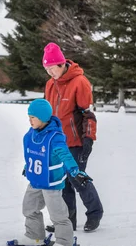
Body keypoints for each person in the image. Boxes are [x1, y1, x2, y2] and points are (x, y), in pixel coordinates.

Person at [11, 99, 93, 246]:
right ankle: (34, 236)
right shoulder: (32, 134)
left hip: (51, 182)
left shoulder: (55, 137)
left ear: (43, 118)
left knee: (57, 213)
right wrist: (27, 167)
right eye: (29, 116)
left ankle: (65, 241)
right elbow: (33, 154)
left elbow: (65, 155)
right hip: (35, 180)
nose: (30, 120)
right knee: (29, 208)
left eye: (33, 117)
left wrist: (75, 171)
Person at [42, 42, 104, 232]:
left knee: (77, 178)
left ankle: (95, 213)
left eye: (52, 68)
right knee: (62, 183)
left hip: (76, 141)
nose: (50, 73)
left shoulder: (80, 82)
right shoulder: (50, 84)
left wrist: (89, 139)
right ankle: (68, 220)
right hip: (57, 142)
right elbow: (48, 115)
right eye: (47, 69)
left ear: (61, 64)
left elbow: (88, 114)